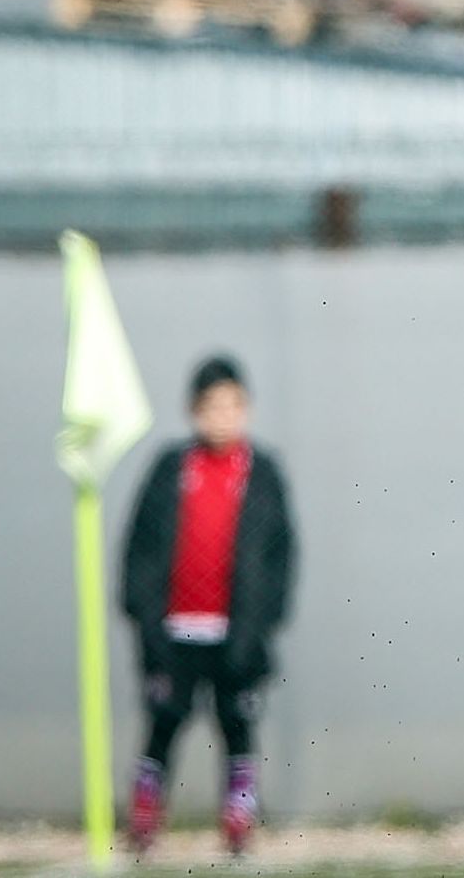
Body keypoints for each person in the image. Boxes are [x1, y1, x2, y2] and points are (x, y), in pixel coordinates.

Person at [120, 354, 296, 855]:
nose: (222, 417)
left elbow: (282, 553)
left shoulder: (262, 473)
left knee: (238, 726)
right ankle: (145, 817)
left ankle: (238, 819)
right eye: (211, 406)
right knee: (163, 723)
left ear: (247, 410)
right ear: (193, 411)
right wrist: (143, 613)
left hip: (236, 634)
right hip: (175, 632)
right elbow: (140, 548)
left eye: (232, 406)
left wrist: (264, 622)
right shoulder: (171, 469)